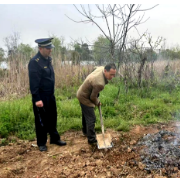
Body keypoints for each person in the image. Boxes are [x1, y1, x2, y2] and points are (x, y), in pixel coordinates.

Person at [28, 38, 66, 152]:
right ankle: (41, 142)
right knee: (41, 121)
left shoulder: (48, 60)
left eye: (51, 48)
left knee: (52, 117)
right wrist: (37, 99)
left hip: (50, 95)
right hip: (41, 96)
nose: (50, 50)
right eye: (48, 48)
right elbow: (34, 83)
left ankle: (54, 138)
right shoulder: (35, 62)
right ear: (40, 48)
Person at [76, 63, 117, 145]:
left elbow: (96, 67)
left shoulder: (101, 68)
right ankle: (91, 139)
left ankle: (85, 131)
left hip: (81, 91)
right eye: (111, 75)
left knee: (86, 114)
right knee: (91, 118)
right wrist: (98, 102)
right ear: (105, 71)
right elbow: (92, 97)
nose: (112, 77)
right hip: (84, 97)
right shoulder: (100, 83)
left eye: (114, 75)